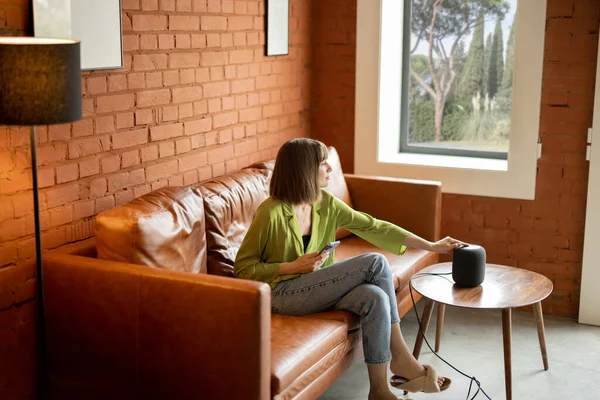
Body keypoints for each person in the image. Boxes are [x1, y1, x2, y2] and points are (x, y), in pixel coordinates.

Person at [234, 138, 466, 400]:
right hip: (282, 294)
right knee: (375, 262)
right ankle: (401, 358)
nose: (329, 170)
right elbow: (243, 269)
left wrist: (430, 245)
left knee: (375, 297)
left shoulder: (325, 203)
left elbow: (373, 226)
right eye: (323, 164)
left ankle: (379, 390)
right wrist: (290, 266)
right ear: (304, 169)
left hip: (316, 288)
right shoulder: (271, 212)